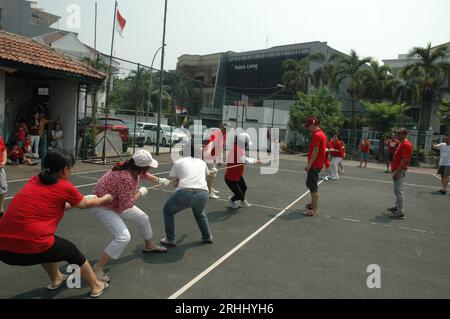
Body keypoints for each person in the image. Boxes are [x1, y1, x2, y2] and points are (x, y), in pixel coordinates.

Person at [0, 150, 112, 297]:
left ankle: (57, 278)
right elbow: (84, 204)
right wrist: (104, 198)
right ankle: (96, 286)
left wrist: (75, 202)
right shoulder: (64, 186)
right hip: (30, 245)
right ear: (65, 169)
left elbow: (58, 204)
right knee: (72, 253)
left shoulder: (35, 180)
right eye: (70, 168)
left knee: (49, 247)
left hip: (4, 249)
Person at [92, 150, 171, 282]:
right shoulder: (126, 179)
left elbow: (144, 175)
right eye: (148, 166)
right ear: (140, 167)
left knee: (143, 218)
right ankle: (97, 269)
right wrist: (141, 193)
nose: (150, 168)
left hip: (114, 202)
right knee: (123, 237)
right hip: (103, 206)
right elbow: (126, 205)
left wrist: (159, 180)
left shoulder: (130, 168)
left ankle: (149, 245)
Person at [161, 144, 216, 247]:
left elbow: (175, 183)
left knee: (167, 211)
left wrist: (171, 182)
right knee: (200, 214)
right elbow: (209, 174)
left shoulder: (178, 162)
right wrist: (213, 171)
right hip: (203, 193)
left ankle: (170, 239)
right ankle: (207, 236)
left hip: (185, 193)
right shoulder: (202, 162)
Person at [224, 133, 260, 209]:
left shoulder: (238, 148)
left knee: (244, 187)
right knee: (240, 195)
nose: (247, 145)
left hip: (237, 175)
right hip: (231, 178)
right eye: (246, 143)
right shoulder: (237, 149)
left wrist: (254, 160)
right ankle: (232, 200)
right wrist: (255, 160)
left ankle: (242, 202)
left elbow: (244, 158)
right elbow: (245, 160)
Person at [387, 128, 413, 219]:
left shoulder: (405, 144)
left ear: (405, 134)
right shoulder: (402, 143)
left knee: (398, 191)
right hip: (398, 170)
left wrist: (397, 172)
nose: (397, 135)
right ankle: (397, 207)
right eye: (397, 133)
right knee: (397, 190)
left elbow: (404, 159)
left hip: (400, 171)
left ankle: (400, 212)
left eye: (399, 133)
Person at [303, 118, 328, 217]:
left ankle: (314, 210)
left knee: (313, 187)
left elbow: (316, 151)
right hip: (317, 164)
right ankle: (312, 204)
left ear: (313, 125)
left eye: (308, 126)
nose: (308, 128)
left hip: (314, 165)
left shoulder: (317, 135)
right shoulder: (322, 134)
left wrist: (309, 164)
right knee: (310, 184)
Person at [202, 123, 229, 199]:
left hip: (214, 156)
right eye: (225, 128)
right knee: (211, 174)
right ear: (222, 127)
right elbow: (211, 142)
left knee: (213, 174)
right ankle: (209, 192)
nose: (227, 129)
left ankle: (210, 187)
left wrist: (220, 159)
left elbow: (222, 147)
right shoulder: (216, 134)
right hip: (208, 155)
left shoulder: (225, 134)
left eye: (228, 128)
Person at [0, 136, 7, 219]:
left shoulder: (0, 138)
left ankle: (1, 209)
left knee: (3, 188)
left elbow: (4, 150)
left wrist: (4, 160)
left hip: (0, 168)